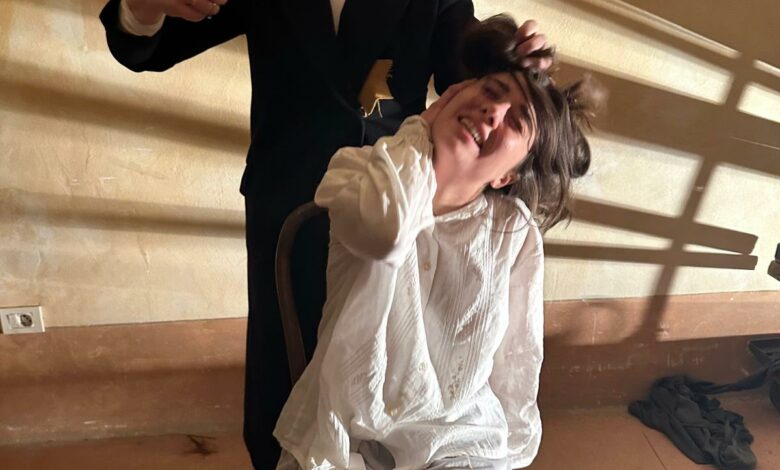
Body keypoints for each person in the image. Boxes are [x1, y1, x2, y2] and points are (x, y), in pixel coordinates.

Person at [98, 1, 554, 467]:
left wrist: (513, 58)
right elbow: (150, 43)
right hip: (287, 203)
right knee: (282, 373)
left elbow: (466, 63)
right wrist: (144, 5)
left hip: (398, 205)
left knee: (392, 379)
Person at [274, 14, 598, 470]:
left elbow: (516, 363)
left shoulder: (514, 233)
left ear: (508, 175)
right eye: (490, 91)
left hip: (461, 444)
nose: (493, 111)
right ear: (452, 94)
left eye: (516, 120)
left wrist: (505, 454)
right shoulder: (359, 173)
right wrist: (421, 127)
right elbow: (387, 231)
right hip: (344, 439)